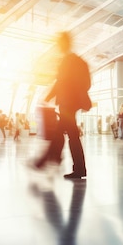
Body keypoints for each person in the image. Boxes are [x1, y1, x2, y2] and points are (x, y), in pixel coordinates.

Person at [31, 31, 91, 179]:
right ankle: (74, 166)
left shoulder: (68, 61)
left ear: (63, 43)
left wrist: (49, 96)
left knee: (61, 133)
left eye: (59, 43)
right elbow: (85, 83)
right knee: (71, 136)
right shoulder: (78, 61)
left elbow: (61, 82)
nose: (58, 46)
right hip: (72, 103)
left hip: (67, 104)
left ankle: (46, 161)